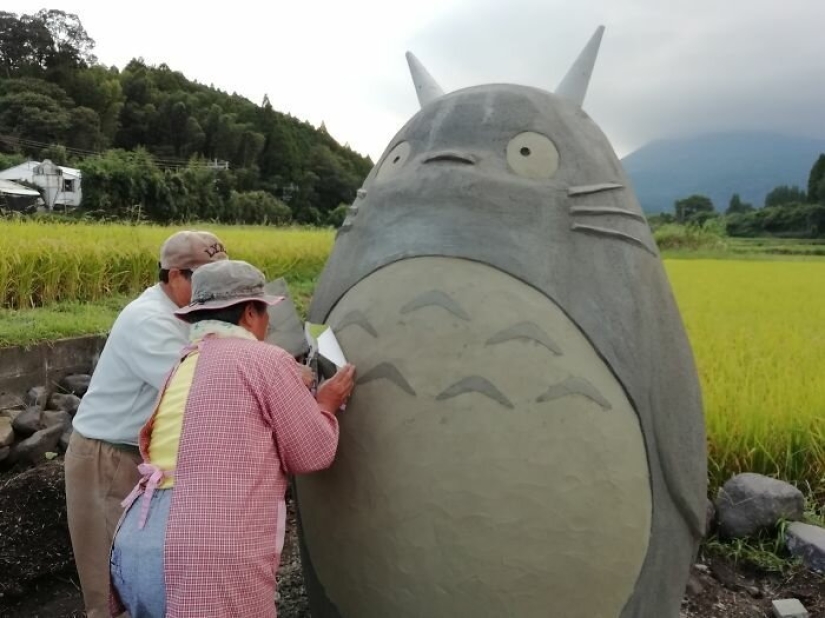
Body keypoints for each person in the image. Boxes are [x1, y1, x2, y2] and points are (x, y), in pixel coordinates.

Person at [109, 259, 355, 618]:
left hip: (139, 544)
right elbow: (311, 453)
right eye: (265, 313)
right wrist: (326, 404)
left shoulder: (183, 363)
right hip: (206, 552)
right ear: (251, 314)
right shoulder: (265, 360)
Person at [65, 230, 228, 618]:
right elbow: (196, 386)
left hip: (143, 460)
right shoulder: (148, 320)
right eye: (206, 280)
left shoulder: (188, 315)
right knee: (111, 585)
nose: (216, 291)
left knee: (146, 577)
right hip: (107, 458)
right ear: (175, 276)